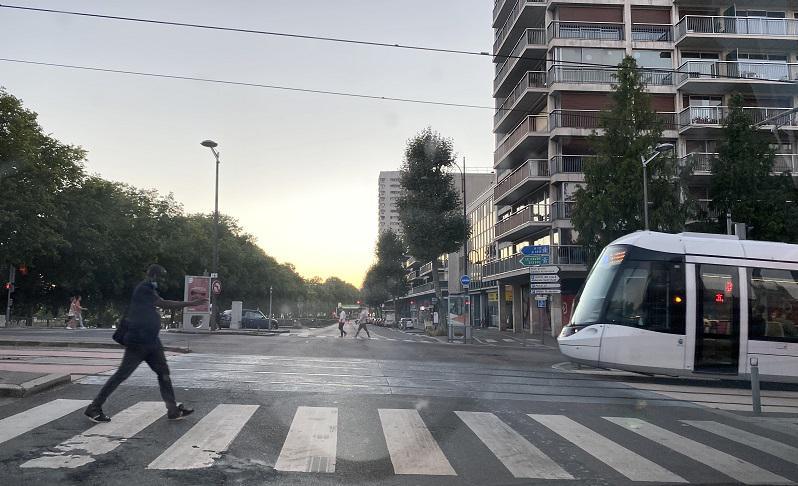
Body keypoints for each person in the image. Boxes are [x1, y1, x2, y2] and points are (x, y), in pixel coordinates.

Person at [84, 264, 206, 423]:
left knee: (163, 373)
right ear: (154, 276)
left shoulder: (149, 289)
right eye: (161, 278)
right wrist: (191, 304)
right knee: (121, 375)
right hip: (138, 341)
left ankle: (173, 410)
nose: (162, 282)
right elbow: (163, 303)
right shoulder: (144, 289)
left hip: (151, 341)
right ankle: (94, 407)